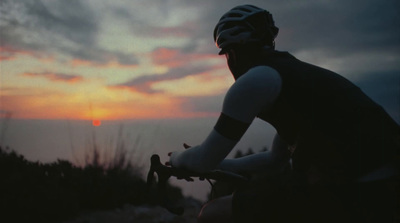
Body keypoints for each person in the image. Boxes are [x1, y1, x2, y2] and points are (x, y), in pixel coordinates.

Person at [168, 4, 399, 223]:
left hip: (360, 191)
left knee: (212, 213)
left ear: (233, 53)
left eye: (227, 55)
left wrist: (176, 158)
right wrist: (221, 165)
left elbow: (202, 160)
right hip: (383, 184)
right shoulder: (291, 77)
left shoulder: (255, 82)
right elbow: (274, 160)